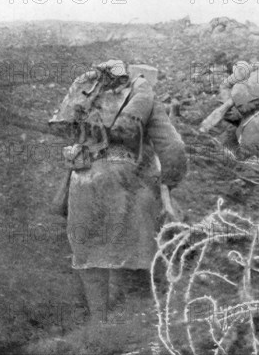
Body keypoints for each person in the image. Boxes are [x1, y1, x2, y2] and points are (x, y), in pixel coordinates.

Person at [48, 60, 187, 324]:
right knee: (140, 243)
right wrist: (169, 182)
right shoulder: (147, 100)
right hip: (124, 177)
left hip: (83, 176)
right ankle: (146, 320)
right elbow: (174, 147)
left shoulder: (93, 95)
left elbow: (72, 132)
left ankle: (100, 321)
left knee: (90, 254)